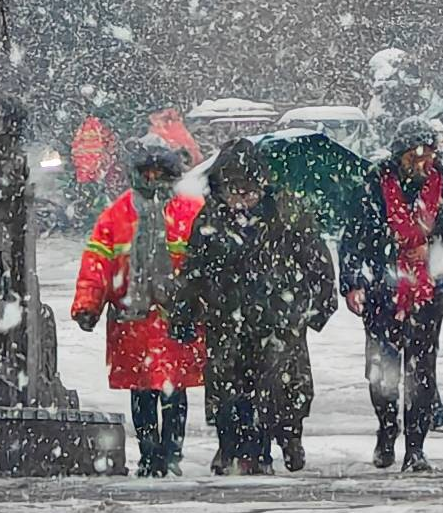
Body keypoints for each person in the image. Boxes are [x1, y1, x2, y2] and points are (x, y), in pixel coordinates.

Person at [180, 147, 338, 473]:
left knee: (279, 388)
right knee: (227, 389)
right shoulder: (210, 220)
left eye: (249, 191)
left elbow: (317, 261)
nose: (242, 200)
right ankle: (230, 445)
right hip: (227, 317)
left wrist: (320, 304)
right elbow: (194, 270)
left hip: (279, 318)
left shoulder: (288, 213)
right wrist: (186, 310)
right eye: (234, 191)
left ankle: (275, 445)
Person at [70, 135, 206, 475]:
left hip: (174, 318)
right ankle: (149, 454)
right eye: (148, 173)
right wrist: (87, 304)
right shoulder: (117, 215)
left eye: (159, 173)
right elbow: (97, 263)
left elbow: (208, 265)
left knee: (173, 394)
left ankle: (171, 454)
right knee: (143, 393)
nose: (153, 180)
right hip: (134, 321)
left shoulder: (190, 213)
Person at [345, 118, 443, 469]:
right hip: (382, 289)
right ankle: (386, 429)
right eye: (415, 156)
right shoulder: (373, 184)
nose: (422, 163)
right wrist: (354, 281)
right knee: (381, 370)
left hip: (427, 291)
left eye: (428, 155)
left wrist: (435, 248)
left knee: (421, 371)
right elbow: (355, 237)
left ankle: (416, 446)